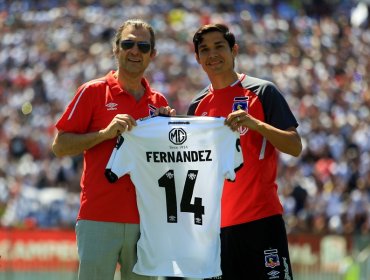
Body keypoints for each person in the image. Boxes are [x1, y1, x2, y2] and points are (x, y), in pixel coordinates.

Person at [52, 19, 175, 280]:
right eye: (128, 43)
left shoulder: (159, 102)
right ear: (115, 49)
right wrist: (105, 134)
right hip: (98, 216)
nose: (135, 51)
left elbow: (167, 164)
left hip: (146, 221)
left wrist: (169, 134)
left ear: (152, 55)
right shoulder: (93, 92)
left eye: (143, 46)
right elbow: (60, 146)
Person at [188, 23, 302, 279]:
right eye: (204, 50)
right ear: (197, 58)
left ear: (234, 50)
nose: (212, 54)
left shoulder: (263, 91)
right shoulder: (196, 106)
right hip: (215, 230)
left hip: (261, 222)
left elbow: (295, 146)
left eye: (219, 46)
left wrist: (255, 124)